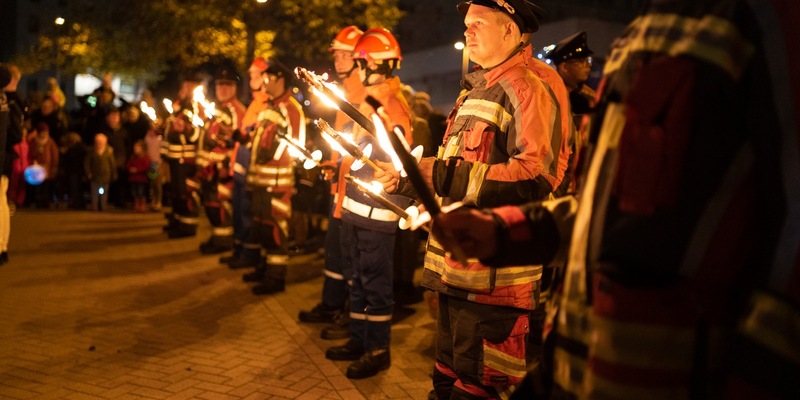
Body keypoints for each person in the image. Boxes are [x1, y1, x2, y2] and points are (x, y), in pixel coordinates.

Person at [430, 0, 800, 398]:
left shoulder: (768, 29)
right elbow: (619, 208)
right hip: (584, 363)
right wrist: (507, 233)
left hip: (666, 378)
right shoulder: (651, 32)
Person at [375, 1, 561, 398]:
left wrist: (440, 173)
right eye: (465, 25)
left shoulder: (527, 88)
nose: (467, 32)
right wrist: (410, 180)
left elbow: (536, 177)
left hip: (494, 282)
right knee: (446, 378)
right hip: (455, 270)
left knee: (479, 389)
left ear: (510, 30)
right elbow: (456, 172)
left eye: (478, 24)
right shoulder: (477, 89)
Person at [322, 28, 412, 380]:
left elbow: (395, 164)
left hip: (376, 214)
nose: (358, 71)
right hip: (356, 210)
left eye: (362, 63)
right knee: (358, 281)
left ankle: (378, 349)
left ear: (377, 66)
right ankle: (359, 340)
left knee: (375, 285)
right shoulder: (368, 105)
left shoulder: (391, 109)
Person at [298, 25, 366, 338]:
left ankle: (347, 311)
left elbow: (363, 143)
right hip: (340, 181)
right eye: (336, 54)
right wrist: (332, 162)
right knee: (335, 249)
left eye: (345, 54)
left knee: (349, 253)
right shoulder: (342, 91)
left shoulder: (361, 93)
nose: (338, 59)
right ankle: (331, 303)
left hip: (355, 186)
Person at [241, 58, 306, 295]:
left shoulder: (291, 109)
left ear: (280, 79)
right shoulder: (269, 108)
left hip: (277, 184)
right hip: (260, 181)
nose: (264, 82)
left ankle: (276, 277)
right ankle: (264, 268)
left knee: (276, 230)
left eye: (268, 78)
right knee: (262, 228)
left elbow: (296, 145)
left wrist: (274, 151)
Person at [223, 57, 270, 269]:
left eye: (257, 74)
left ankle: (249, 254)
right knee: (239, 212)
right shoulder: (255, 102)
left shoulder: (266, 104)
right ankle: (239, 249)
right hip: (242, 169)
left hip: (252, 172)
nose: (252, 77)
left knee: (248, 214)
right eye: (251, 74)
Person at [196, 69, 246, 254]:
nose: (223, 89)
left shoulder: (236, 110)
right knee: (211, 204)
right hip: (211, 167)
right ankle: (218, 237)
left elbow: (239, 142)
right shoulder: (217, 109)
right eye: (219, 84)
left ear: (235, 88)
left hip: (224, 168)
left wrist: (226, 165)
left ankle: (224, 240)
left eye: (228, 85)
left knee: (221, 204)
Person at [161, 74, 203, 238]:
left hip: (186, 158)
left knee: (186, 192)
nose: (184, 89)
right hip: (175, 157)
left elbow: (199, 133)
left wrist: (186, 129)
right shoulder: (181, 106)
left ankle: (188, 225)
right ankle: (178, 220)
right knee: (177, 192)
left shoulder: (197, 107)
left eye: (188, 86)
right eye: (184, 85)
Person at [544, 31, 596, 127]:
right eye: (582, 61)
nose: (589, 65)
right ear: (564, 67)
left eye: (588, 60)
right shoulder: (550, 97)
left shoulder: (585, 96)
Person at [0, 63, 23, 265]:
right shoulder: (12, 102)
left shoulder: (11, 102)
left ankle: (1, 246)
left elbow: (15, 135)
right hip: (4, 157)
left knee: (1, 202)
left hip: (4, 157)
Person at [102, 106, 130, 209]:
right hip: (108, 160)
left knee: (121, 181)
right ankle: (107, 200)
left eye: (116, 116)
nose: (114, 118)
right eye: (112, 116)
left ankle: (121, 201)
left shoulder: (123, 131)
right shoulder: (104, 131)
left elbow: (127, 145)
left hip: (121, 159)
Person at [28, 122, 60, 209]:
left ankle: (45, 201)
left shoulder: (50, 141)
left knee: (46, 185)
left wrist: (54, 165)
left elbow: (54, 154)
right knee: (38, 185)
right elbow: (31, 152)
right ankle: (38, 201)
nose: (44, 134)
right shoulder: (35, 142)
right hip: (37, 167)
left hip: (47, 168)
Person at [84, 133, 116, 212]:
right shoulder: (92, 151)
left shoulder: (109, 152)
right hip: (95, 176)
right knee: (94, 193)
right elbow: (87, 163)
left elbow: (112, 164)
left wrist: (114, 174)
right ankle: (94, 207)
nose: (99, 144)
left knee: (104, 193)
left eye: (101, 142)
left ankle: (103, 206)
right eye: (98, 142)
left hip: (106, 176)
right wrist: (88, 172)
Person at [126, 140, 150, 212]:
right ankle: (136, 204)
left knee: (140, 192)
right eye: (135, 148)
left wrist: (137, 170)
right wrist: (130, 169)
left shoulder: (145, 158)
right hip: (133, 178)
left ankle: (142, 204)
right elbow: (128, 165)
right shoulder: (133, 157)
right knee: (134, 192)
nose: (135, 150)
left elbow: (146, 167)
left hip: (141, 179)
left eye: (137, 148)